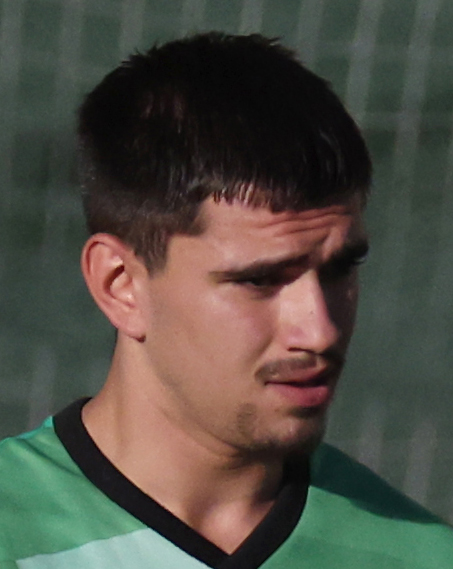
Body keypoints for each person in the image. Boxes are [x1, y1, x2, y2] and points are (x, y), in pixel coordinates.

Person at [0, 32, 452, 569]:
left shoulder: (422, 556)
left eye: (340, 269)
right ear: (120, 284)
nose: (320, 330)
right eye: (259, 280)